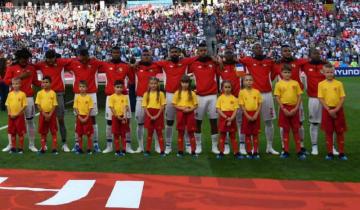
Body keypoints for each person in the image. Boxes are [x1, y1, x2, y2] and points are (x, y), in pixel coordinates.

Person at [155, 46, 197, 154]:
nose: (174, 54)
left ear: (179, 53)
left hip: (184, 95)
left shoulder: (185, 62)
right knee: (169, 121)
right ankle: (168, 145)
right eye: (172, 52)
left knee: (186, 122)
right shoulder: (165, 63)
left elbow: (197, 57)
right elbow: (154, 63)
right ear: (169, 53)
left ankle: (188, 144)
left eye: (176, 52)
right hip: (169, 95)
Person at [239, 43, 278, 155]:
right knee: (251, 121)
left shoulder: (269, 61)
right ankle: (251, 147)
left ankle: (269, 146)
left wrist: (266, 82)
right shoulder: (248, 60)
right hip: (252, 95)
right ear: (252, 50)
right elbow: (238, 64)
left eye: (260, 47)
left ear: (262, 49)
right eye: (255, 48)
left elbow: (274, 74)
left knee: (269, 121)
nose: (258, 49)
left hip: (266, 94)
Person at [3, 48, 41, 152]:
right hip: (14, 98)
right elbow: (6, 81)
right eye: (22, 59)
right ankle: (11, 144)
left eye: (26, 59)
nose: (24, 61)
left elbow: (36, 82)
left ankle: (31, 144)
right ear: (18, 58)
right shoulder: (12, 68)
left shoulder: (32, 68)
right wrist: (20, 77)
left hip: (28, 98)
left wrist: (46, 83)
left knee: (30, 121)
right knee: (12, 122)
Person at [34, 50, 72, 152]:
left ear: (55, 57)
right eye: (48, 59)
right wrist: (39, 83)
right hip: (45, 94)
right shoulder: (42, 64)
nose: (50, 61)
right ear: (45, 58)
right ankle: (44, 144)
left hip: (58, 93)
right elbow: (31, 67)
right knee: (45, 120)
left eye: (52, 59)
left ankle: (64, 143)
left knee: (60, 119)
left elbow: (73, 61)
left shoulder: (60, 62)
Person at [302, 49, 338, 155]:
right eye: (314, 53)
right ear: (310, 55)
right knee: (314, 123)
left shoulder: (326, 65)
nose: (317, 55)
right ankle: (314, 146)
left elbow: (333, 78)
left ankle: (332, 147)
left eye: (318, 53)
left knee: (331, 124)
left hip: (328, 99)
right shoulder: (306, 65)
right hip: (313, 98)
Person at [99, 46, 135, 154]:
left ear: (120, 53)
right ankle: (109, 146)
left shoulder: (126, 66)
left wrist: (133, 65)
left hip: (124, 96)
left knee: (126, 121)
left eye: (117, 53)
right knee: (109, 122)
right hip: (110, 96)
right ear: (111, 53)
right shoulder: (106, 64)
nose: (116, 54)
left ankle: (128, 146)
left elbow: (132, 80)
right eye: (114, 52)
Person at [273, 45, 307, 153]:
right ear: (281, 52)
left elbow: (311, 60)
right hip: (283, 101)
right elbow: (271, 76)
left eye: (289, 50)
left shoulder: (298, 62)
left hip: (296, 99)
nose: (287, 52)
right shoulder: (277, 64)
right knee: (284, 125)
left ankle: (301, 146)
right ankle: (284, 147)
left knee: (300, 123)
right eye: (285, 51)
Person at [188, 42, 220, 154]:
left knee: (213, 122)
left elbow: (221, 69)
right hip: (199, 96)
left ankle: (215, 146)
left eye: (205, 50)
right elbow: (185, 70)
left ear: (207, 51)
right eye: (201, 51)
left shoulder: (213, 62)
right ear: (197, 52)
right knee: (197, 122)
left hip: (212, 96)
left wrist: (218, 61)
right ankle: (198, 145)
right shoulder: (194, 64)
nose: (203, 52)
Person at [133, 49, 162, 153]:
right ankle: (140, 146)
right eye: (144, 55)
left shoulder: (156, 66)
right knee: (140, 123)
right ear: (141, 56)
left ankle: (157, 146)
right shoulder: (137, 67)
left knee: (155, 123)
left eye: (148, 55)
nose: (146, 57)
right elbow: (128, 66)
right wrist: (135, 63)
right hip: (140, 98)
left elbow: (166, 63)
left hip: (154, 98)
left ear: (151, 56)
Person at [318, 64, 347, 160]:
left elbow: (342, 97)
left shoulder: (339, 84)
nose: (329, 74)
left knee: (340, 131)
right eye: (327, 72)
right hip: (327, 111)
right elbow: (321, 98)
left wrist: (336, 109)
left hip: (338, 110)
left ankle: (341, 153)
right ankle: (330, 152)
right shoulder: (321, 84)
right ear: (323, 72)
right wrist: (329, 110)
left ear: (334, 72)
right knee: (329, 132)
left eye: (331, 72)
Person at [219, 48, 245, 154]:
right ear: (224, 56)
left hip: (237, 97)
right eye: (227, 55)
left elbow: (242, 79)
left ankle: (242, 144)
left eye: (231, 54)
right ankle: (225, 145)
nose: (229, 56)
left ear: (233, 56)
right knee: (224, 123)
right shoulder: (221, 66)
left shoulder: (238, 65)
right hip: (224, 98)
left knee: (239, 122)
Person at [216, 80, 242, 159]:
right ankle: (221, 152)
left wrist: (231, 119)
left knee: (233, 136)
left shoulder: (234, 98)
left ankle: (236, 152)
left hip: (232, 118)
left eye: (229, 87)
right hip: (223, 118)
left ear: (231, 88)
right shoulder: (220, 98)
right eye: (225, 87)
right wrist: (226, 118)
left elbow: (236, 110)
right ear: (222, 88)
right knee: (222, 136)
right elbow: (218, 109)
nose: (227, 89)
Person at [172, 75, 198, 157]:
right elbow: (174, 104)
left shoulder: (192, 93)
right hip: (180, 113)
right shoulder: (177, 93)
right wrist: (182, 108)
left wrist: (189, 110)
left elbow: (196, 105)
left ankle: (193, 151)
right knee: (181, 132)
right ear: (181, 83)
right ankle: (180, 151)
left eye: (186, 83)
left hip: (190, 113)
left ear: (189, 83)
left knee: (191, 132)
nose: (185, 84)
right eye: (183, 82)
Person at [238, 74, 262, 159]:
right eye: (246, 80)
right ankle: (249, 152)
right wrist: (247, 115)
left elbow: (260, 104)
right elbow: (241, 105)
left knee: (255, 134)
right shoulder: (241, 92)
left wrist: (256, 114)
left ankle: (255, 151)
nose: (249, 82)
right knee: (247, 134)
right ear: (243, 82)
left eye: (250, 80)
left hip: (255, 115)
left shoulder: (257, 91)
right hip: (246, 115)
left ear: (253, 81)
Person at [142, 77, 166, 157]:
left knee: (159, 133)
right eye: (151, 83)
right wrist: (150, 116)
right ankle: (148, 150)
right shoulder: (146, 94)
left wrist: (157, 115)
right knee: (149, 134)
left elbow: (162, 106)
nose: (153, 85)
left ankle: (162, 150)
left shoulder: (161, 94)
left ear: (158, 84)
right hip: (149, 115)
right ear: (149, 84)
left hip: (158, 115)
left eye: (155, 83)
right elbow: (145, 107)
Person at [35, 76, 58, 154]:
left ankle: (54, 148)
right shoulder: (39, 93)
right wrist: (44, 114)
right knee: (43, 132)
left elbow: (54, 105)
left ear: (50, 83)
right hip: (43, 115)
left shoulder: (53, 93)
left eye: (46, 82)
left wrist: (50, 114)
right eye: (43, 82)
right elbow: (38, 105)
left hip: (52, 115)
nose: (44, 84)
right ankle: (43, 148)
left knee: (53, 131)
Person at [108, 80, 130, 157]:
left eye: (121, 87)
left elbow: (126, 107)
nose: (119, 89)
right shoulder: (111, 97)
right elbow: (111, 108)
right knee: (116, 134)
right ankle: (117, 150)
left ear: (123, 88)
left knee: (123, 134)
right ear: (114, 88)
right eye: (117, 87)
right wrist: (117, 116)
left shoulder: (124, 97)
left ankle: (124, 150)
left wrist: (124, 116)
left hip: (123, 117)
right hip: (115, 117)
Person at [5, 78, 27, 154]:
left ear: (20, 84)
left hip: (19, 117)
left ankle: (21, 148)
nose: (15, 85)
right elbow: (7, 104)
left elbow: (24, 106)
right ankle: (13, 148)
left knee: (20, 133)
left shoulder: (23, 94)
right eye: (13, 84)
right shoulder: (10, 94)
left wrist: (17, 114)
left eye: (17, 84)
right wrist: (9, 113)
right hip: (11, 117)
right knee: (12, 132)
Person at [73, 80, 94, 154]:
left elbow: (90, 108)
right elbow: (75, 108)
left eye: (83, 87)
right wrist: (79, 116)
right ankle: (80, 148)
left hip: (87, 118)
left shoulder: (89, 97)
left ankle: (89, 149)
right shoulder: (77, 97)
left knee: (88, 134)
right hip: (79, 117)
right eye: (80, 87)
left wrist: (86, 117)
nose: (82, 88)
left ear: (86, 88)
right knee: (80, 134)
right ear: (78, 88)